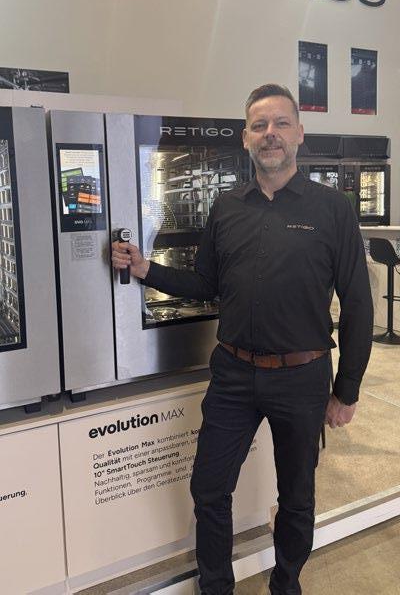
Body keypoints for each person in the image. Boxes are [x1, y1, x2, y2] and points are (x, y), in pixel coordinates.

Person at [112, 84, 373, 595]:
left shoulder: (332, 209)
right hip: (232, 374)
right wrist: (146, 270)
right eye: (259, 126)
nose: (270, 134)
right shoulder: (226, 207)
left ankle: (285, 584)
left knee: (296, 497)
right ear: (246, 138)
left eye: (280, 123)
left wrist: (347, 390)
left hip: (303, 377)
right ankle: (216, 588)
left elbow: (359, 305)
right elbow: (205, 284)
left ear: (299, 133)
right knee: (209, 490)